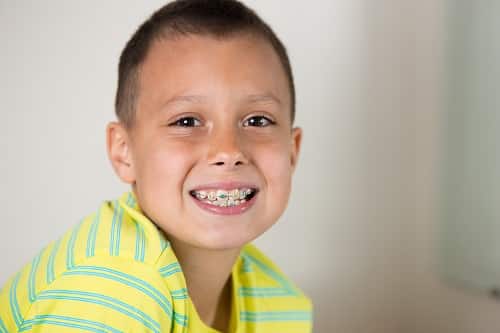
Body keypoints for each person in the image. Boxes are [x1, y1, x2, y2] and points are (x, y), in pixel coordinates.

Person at [0, 0, 312, 332]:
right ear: (124, 153)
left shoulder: (282, 302)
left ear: (292, 153)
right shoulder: (110, 291)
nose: (228, 150)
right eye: (188, 120)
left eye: (257, 120)